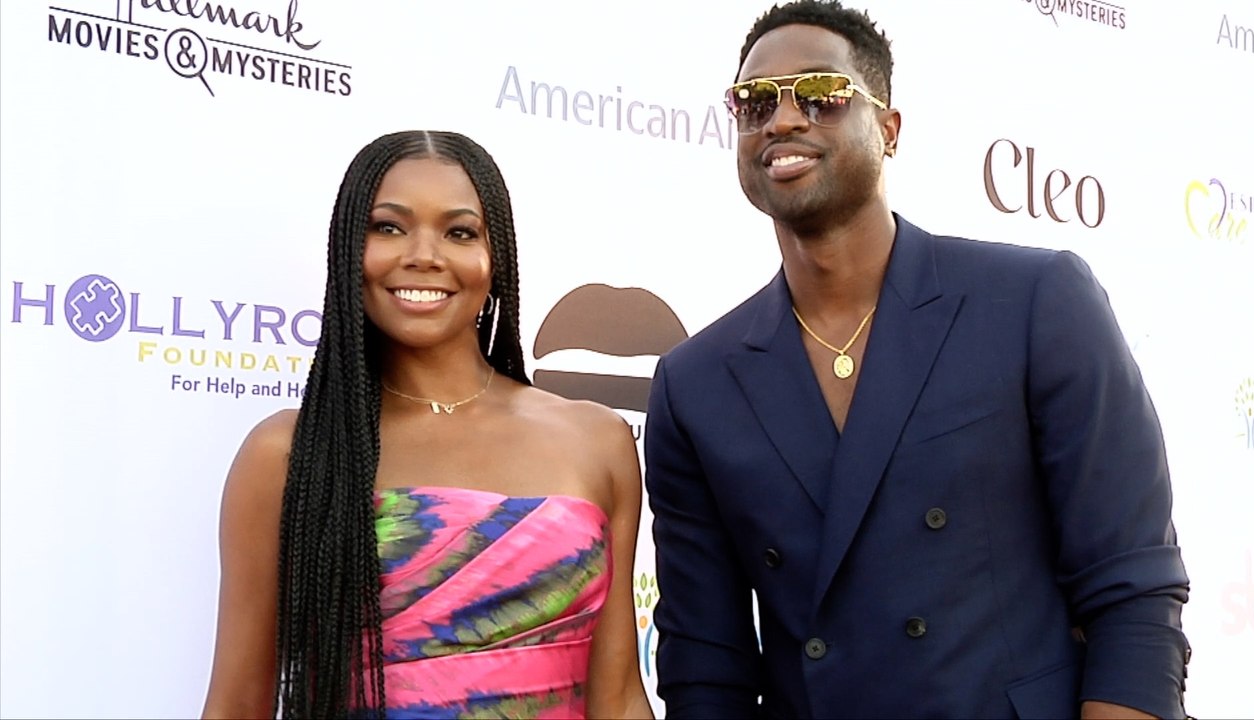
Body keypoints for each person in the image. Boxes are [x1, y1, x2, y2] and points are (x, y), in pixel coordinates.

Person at [643, 2, 1192, 719]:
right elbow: (704, 673)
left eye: (821, 95)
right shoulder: (695, 383)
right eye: (753, 101)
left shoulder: (1033, 301)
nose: (781, 119)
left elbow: (1134, 596)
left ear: (889, 129)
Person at [201, 130, 655, 720]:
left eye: (459, 232)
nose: (423, 254)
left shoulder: (598, 440)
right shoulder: (286, 454)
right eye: (388, 227)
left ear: (496, 262)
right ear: (347, 253)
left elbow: (618, 699)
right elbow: (238, 704)